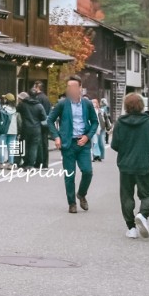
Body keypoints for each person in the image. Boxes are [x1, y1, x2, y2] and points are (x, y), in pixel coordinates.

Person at [112, 92, 149, 239]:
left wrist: (125, 149)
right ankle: (142, 214)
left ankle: (131, 228)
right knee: (147, 196)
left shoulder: (120, 124)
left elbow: (114, 145)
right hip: (143, 166)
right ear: (142, 106)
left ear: (126, 107)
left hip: (125, 166)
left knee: (126, 197)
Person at [47, 75, 98, 214]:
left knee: (87, 171)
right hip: (68, 144)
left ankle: (81, 194)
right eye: (69, 87)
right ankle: (72, 203)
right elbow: (50, 120)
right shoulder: (62, 104)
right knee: (69, 175)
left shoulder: (87, 104)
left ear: (80, 88)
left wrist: (87, 136)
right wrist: (56, 137)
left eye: (74, 86)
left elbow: (95, 122)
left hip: (83, 143)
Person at [17, 91, 47, 169]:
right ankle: (30, 164)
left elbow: (17, 111)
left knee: (24, 145)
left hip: (25, 128)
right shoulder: (39, 105)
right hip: (36, 128)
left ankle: (25, 162)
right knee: (33, 146)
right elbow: (44, 117)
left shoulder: (22, 105)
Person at [33, 81, 53, 167]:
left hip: (39, 122)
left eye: (34, 86)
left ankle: (40, 162)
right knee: (44, 143)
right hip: (46, 122)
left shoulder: (38, 98)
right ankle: (45, 163)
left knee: (40, 143)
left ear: (37, 87)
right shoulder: (46, 98)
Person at [1, 94, 20, 167]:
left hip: (4, 129)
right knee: (11, 147)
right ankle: (11, 163)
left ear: (6, 100)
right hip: (13, 129)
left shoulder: (3, 108)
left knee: (1, 146)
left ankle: (1, 163)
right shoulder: (16, 108)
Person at [90, 97, 106, 161]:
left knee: (101, 143)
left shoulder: (101, 111)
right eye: (92, 103)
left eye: (95, 103)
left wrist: (108, 127)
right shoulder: (90, 111)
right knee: (94, 142)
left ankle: (101, 155)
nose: (93, 104)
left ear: (97, 104)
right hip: (93, 128)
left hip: (101, 128)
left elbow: (105, 119)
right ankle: (95, 156)